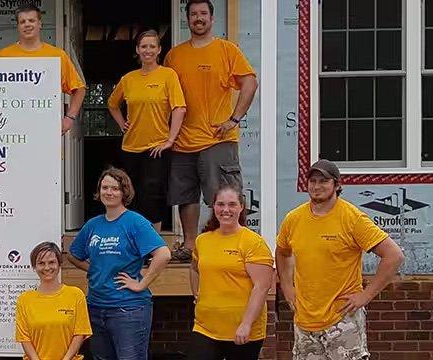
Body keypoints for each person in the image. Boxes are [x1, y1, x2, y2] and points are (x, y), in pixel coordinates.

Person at [276, 160, 405, 360]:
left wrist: (366, 295)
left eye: (323, 181)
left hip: (343, 321)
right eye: (312, 181)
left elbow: (394, 255)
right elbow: (283, 252)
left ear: (336, 185)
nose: (316, 186)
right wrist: (286, 286)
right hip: (305, 322)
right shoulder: (293, 219)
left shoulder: (352, 218)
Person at [163, 0, 259, 260]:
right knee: (186, 197)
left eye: (203, 13)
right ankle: (191, 246)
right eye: (193, 14)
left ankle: (229, 245)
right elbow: (165, 94)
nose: (198, 18)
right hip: (183, 141)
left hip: (218, 139)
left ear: (212, 19)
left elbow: (249, 82)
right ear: (187, 19)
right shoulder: (174, 55)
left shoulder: (226, 50)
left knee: (224, 197)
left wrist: (234, 119)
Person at [67, 167, 171, 360]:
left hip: (128, 309)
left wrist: (141, 283)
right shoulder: (93, 225)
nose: (109, 192)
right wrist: (94, 269)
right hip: (96, 307)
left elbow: (163, 254)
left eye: (114, 188)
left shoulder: (135, 222)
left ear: (124, 192)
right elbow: (73, 255)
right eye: (104, 187)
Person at [109, 29, 187, 231]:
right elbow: (112, 104)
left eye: (152, 46)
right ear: (137, 49)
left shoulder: (168, 75)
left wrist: (170, 140)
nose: (148, 50)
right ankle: (132, 240)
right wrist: (121, 123)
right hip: (131, 147)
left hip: (156, 147)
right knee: (130, 195)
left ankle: (153, 243)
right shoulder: (128, 79)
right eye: (144, 46)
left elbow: (179, 107)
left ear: (159, 50)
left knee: (153, 195)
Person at [189, 185, 273, 360]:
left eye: (232, 204)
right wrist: (197, 295)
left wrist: (247, 324)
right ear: (214, 207)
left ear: (241, 207)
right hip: (205, 327)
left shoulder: (253, 242)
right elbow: (194, 268)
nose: (225, 210)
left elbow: (262, 287)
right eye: (220, 204)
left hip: (242, 330)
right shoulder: (203, 240)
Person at [0, 4, 85, 135]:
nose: (27, 24)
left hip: (46, 128)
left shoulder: (57, 55)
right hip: (10, 128)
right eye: (22, 22)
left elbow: (80, 89)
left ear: (40, 24)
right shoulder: (3, 56)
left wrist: (69, 118)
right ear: (18, 26)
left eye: (31, 20)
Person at [16, 242, 91, 360]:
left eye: (51, 262)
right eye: (41, 263)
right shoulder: (24, 300)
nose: (47, 268)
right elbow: (24, 338)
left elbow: (80, 334)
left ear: (59, 264)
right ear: (34, 267)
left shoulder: (76, 295)